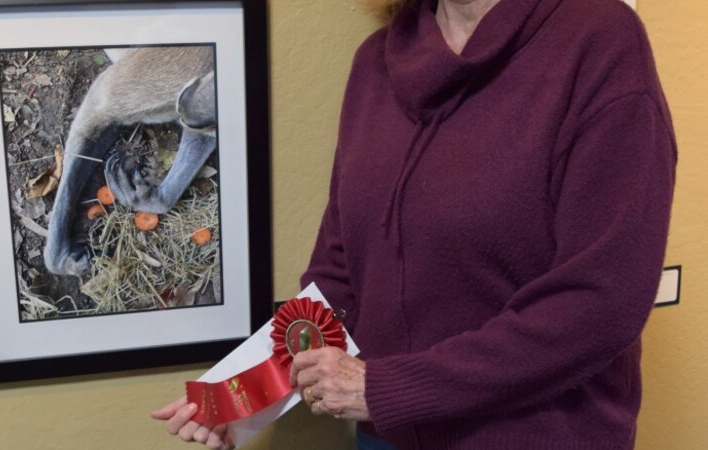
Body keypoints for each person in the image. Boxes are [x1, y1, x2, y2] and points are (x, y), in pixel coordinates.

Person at [152, 0, 677, 448]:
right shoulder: (375, 63)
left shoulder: (600, 41)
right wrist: (241, 392)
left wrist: (382, 388)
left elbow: (600, 301)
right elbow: (341, 278)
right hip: (389, 435)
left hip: (537, 435)